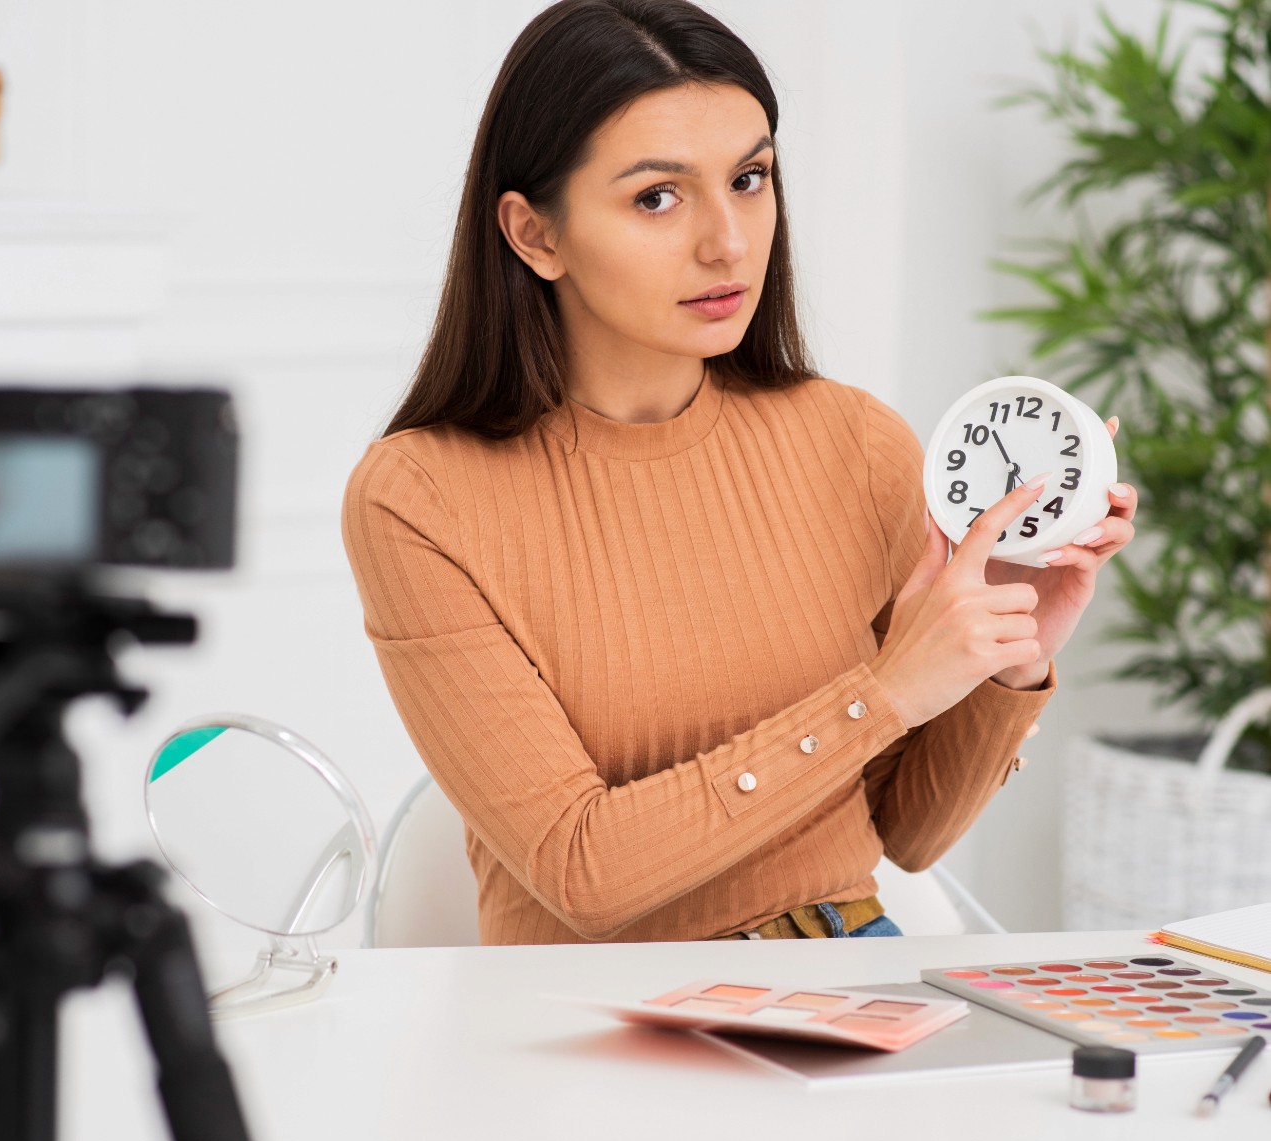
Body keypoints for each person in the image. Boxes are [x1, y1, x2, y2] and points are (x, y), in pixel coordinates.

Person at [341, 0, 1137, 945]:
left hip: (849, 994)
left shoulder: (854, 442)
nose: (728, 240)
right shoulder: (422, 498)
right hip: (588, 1028)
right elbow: (580, 870)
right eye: (657, 197)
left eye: (750, 178)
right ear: (534, 235)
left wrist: (1009, 654)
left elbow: (906, 836)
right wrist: (882, 693)